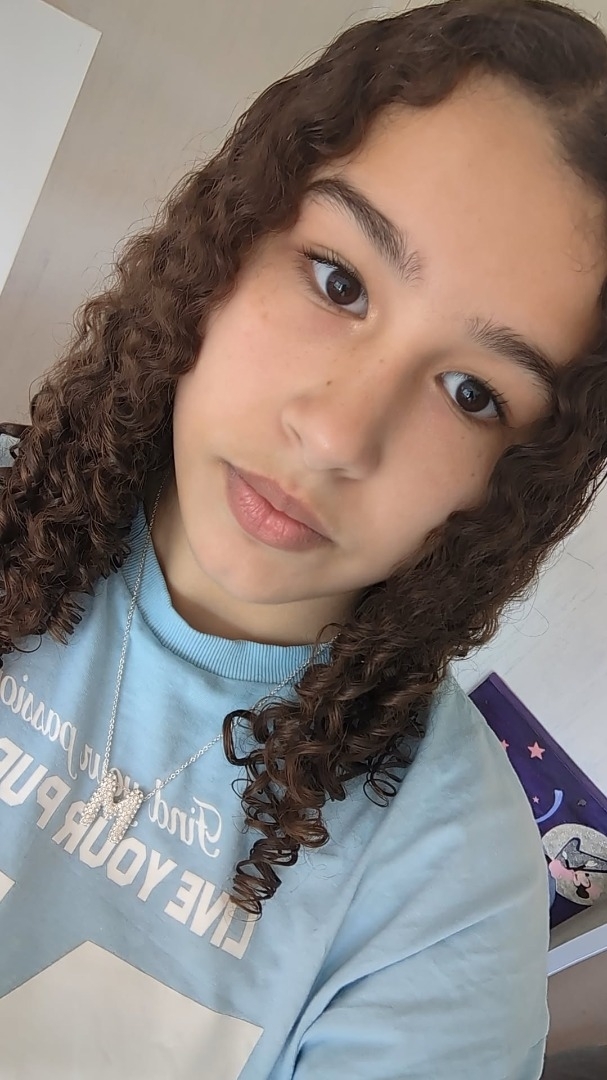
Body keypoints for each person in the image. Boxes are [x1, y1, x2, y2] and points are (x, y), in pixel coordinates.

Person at [1, 0, 607, 1075]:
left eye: (471, 393)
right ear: (228, 242)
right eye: (339, 281)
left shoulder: (449, 893)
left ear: (518, 482)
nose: (333, 435)